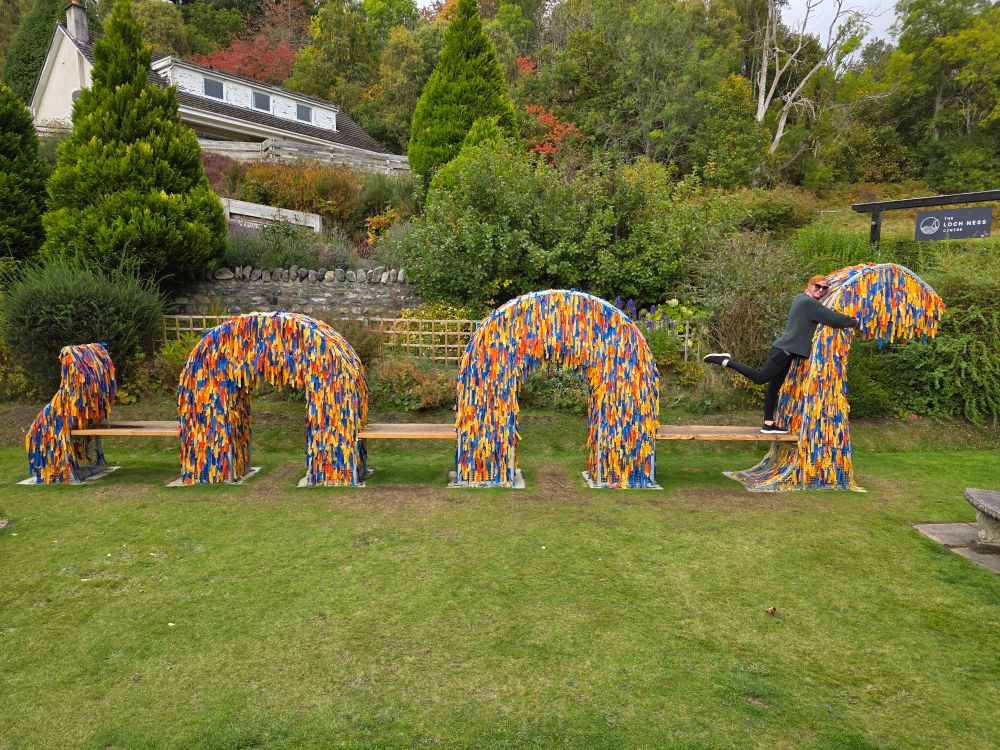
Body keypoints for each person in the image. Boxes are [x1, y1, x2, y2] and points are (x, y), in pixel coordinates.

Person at [702, 275, 859, 434]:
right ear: (809, 285)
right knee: (760, 378)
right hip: (784, 350)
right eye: (817, 286)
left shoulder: (802, 299)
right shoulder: (808, 302)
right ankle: (724, 360)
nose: (820, 290)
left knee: (774, 387)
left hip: (787, 351)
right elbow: (834, 319)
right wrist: (854, 322)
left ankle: (768, 424)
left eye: (824, 288)